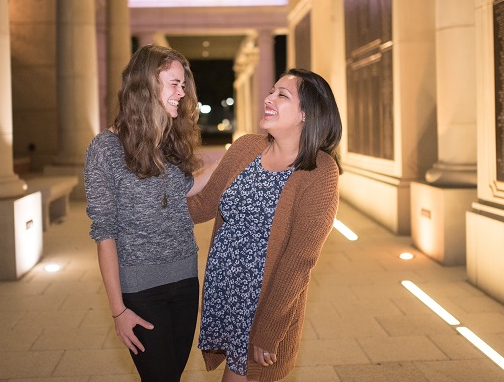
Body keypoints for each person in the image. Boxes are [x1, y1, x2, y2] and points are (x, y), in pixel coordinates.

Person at [188, 68, 342, 382]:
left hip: (262, 300)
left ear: (305, 113)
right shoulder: (246, 147)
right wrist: (147, 209)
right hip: (225, 291)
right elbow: (203, 206)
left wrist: (270, 329)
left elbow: (299, 260)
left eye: (281, 95)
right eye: (271, 91)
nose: (268, 98)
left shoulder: (321, 173)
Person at [84, 44, 203, 382]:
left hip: (186, 280)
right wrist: (118, 310)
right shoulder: (104, 149)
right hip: (141, 288)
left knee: (173, 375)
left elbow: (185, 189)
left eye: (183, 85)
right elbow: (103, 231)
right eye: (174, 84)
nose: (182, 93)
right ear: (146, 84)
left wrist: (241, 158)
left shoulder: (169, 139)